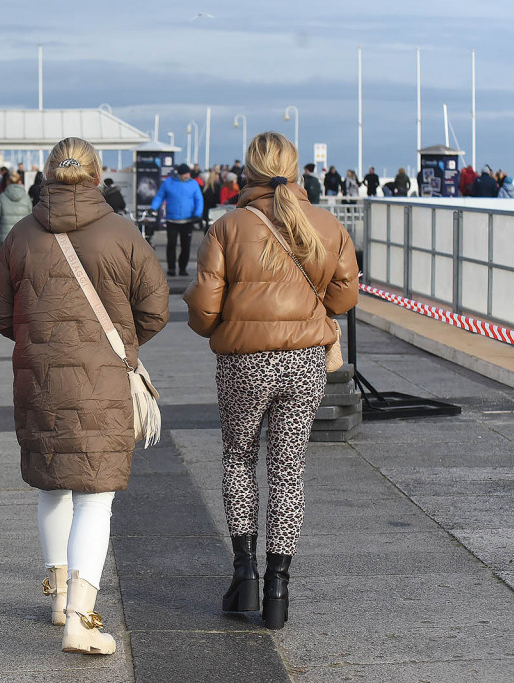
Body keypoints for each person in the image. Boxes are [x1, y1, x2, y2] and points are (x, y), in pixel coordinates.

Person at [0, 137, 169, 656]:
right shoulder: (121, 233)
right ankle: (80, 620)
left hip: (40, 379)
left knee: (52, 485)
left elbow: (0, 314)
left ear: (47, 175)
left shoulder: (21, 234)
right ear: (96, 177)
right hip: (104, 379)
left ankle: (59, 593)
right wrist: (119, 345)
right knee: (95, 495)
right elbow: (155, 310)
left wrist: (41, 340)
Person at [183, 131, 358, 631]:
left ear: (249, 171)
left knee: (239, 458)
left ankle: (245, 576)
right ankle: (279, 586)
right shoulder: (325, 224)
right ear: (297, 169)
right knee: (288, 469)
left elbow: (203, 311)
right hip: (304, 362)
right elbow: (345, 298)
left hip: (244, 363)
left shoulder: (228, 227)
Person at [151, 163, 203, 276]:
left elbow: (199, 199)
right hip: (172, 220)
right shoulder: (168, 183)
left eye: (188, 173)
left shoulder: (193, 184)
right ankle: (171, 268)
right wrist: (153, 208)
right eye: (185, 174)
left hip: (188, 220)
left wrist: (198, 214)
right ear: (179, 174)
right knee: (171, 245)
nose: (187, 176)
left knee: (186, 246)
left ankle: (183, 268)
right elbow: (160, 196)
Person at [0, 172, 32, 243]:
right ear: (20, 182)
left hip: (6, 235)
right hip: (22, 234)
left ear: (8, 182)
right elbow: (30, 213)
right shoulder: (26, 197)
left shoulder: (2, 196)